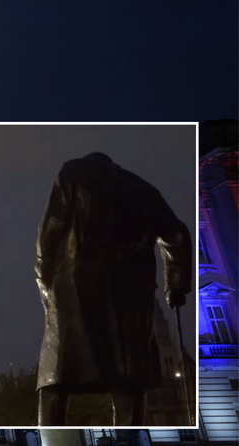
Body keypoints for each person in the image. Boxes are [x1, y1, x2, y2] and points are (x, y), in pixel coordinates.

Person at [35, 152, 191, 426]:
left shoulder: (72, 173)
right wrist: (175, 286)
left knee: (55, 379)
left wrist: (46, 283)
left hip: (75, 292)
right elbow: (178, 234)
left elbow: (49, 235)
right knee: (129, 381)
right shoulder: (144, 190)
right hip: (132, 298)